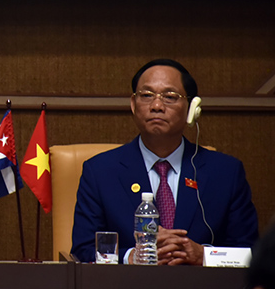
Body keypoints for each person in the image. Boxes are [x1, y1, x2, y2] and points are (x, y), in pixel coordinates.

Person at [71, 59, 258, 264]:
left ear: (192, 108)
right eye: (147, 96)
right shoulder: (99, 171)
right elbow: (83, 250)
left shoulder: (226, 173)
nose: (157, 106)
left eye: (170, 97)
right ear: (133, 105)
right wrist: (131, 257)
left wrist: (203, 256)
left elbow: (250, 252)